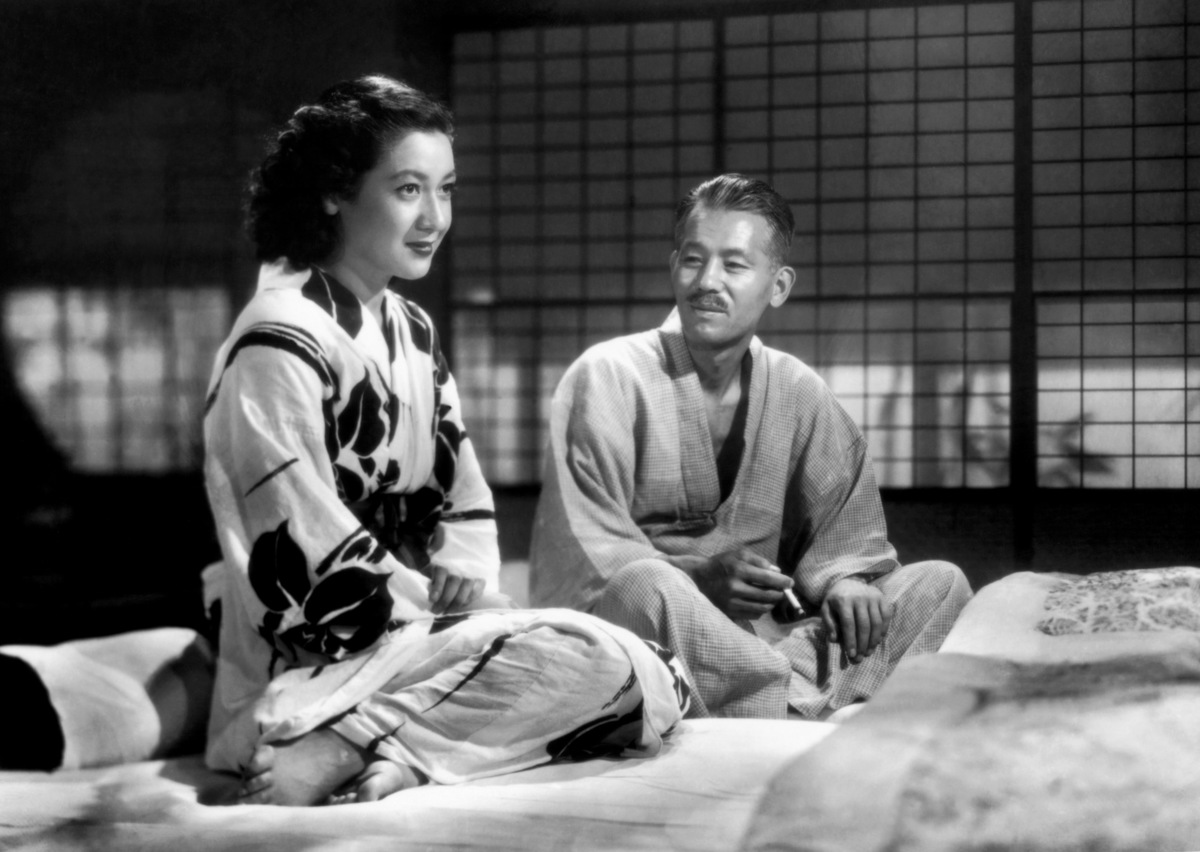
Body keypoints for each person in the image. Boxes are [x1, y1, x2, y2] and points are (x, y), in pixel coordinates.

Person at [202, 75, 687, 807]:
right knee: (593, 658)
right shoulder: (277, 338)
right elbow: (297, 547)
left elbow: (459, 490)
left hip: (413, 631)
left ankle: (393, 750)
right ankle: (343, 741)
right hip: (315, 660)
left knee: (650, 673)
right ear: (333, 192)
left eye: (446, 190)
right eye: (408, 190)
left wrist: (462, 564)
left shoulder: (411, 327)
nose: (434, 217)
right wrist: (453, 615)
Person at [530, 173, 971, 720]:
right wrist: (698, 576)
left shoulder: (796, 389)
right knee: (648, 585)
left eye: (734, 265)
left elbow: (847, 532)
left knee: (940, 584)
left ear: (778, 286)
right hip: (655, 632)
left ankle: (766, 701)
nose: (706, 282)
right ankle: (798, 705)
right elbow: (586, 555)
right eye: (693, 260)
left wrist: (847, 581)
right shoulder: (609, 375)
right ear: (674, 267)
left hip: (764, 639)